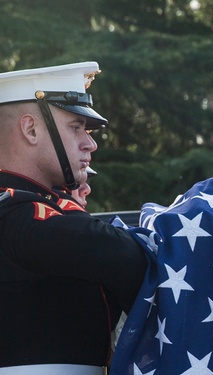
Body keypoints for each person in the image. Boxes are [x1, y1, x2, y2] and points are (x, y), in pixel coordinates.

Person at [0, 62, 147, 373]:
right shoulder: (16, 213)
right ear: (30, 129)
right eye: (76, 127)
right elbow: (125, 257)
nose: (90, 143)